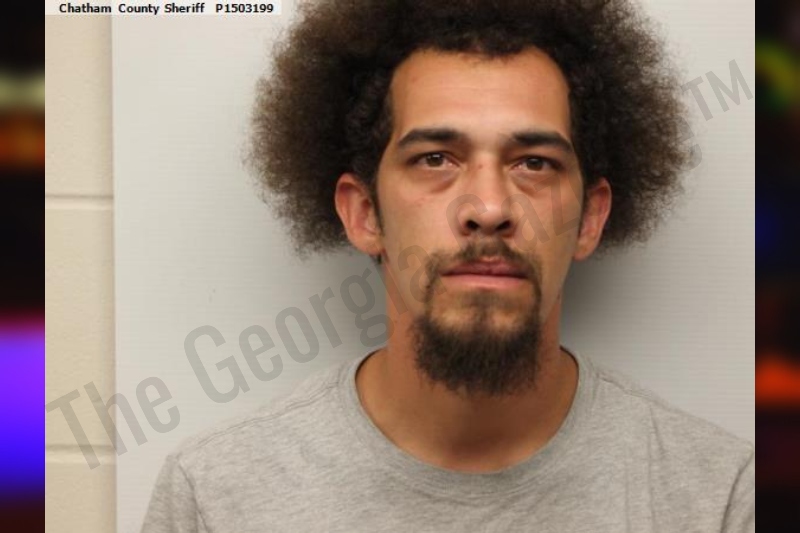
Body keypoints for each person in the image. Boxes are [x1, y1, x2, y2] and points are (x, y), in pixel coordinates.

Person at [141, 0, 754, 531]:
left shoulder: (718, 497)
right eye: (435, 158)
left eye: (534, 163)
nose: (488, 209)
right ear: (364, 213)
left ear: (590, 219)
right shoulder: (217, 496)